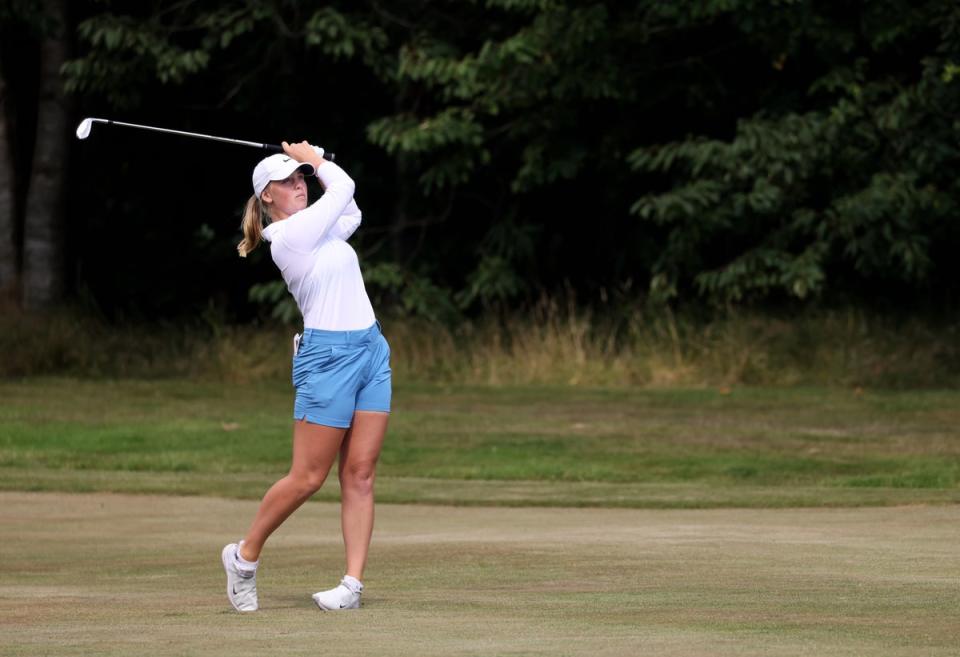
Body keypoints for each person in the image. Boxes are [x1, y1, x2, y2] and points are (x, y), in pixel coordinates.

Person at [222, 140, 391, 612]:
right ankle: (243, 556)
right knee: (308, 477)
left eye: (301, 178)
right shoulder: (290, 237)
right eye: (288, 181)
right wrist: (318, 162)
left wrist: (320, 165)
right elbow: (344, 188)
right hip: (329, 359)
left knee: (360, 474)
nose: (299, 185)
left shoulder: (322, 232)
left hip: (371, 350)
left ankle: (351, 586)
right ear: (267, 198)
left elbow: (350, 209)